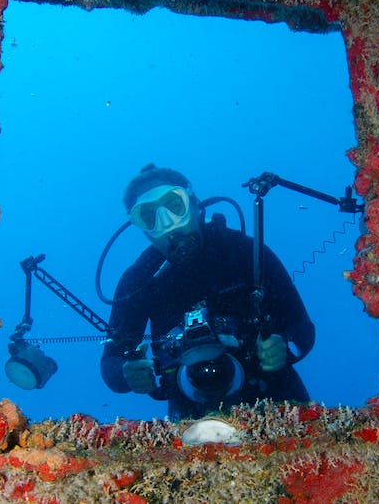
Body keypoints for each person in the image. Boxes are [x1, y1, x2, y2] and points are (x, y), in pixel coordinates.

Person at [100, 164, 315, 418]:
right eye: (149, 216)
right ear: (142, 228)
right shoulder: (138, 281)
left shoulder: (245, 252)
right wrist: (129, 373)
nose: (167, 223)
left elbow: (303, 330)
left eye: (174, 205)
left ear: (193, 203)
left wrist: (283, 348)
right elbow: (110, 363)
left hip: (277, 398)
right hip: (193, 412)